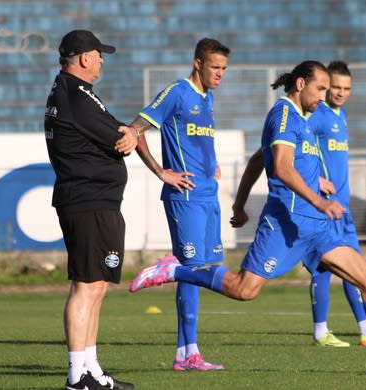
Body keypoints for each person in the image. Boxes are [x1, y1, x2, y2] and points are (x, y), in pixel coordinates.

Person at [130, 60, 366, 375]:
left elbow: (257, 159)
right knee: (243, 289)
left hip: (319, 229)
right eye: (320, 88)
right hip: (286, 225)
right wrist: (319, 201)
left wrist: (241, 204)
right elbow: (279, 167)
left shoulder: (305, 118)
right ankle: (176, 270)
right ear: (301, 85)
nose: (325, 95)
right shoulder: (282, 114)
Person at [230, 61, 366, 348]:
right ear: (303, 84)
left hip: (338, 206)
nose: (335, 94)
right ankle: (324, 329)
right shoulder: (309, 115)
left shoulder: (339, 115)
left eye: (344, 88)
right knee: (323, 271)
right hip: (314, 207)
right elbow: (278, 158)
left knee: (357, 270)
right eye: (329, 87)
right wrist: (317, 189)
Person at [128, 38, 230, 371]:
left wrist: (211, 164)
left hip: (207, 195)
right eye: (215, 67)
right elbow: (136, 128)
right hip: (184, 197)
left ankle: (185, 354)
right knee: (191, 269)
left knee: (201, 271)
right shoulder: (176, 92)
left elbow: (198, 139)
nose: (220, 74)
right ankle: (189, 351)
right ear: (198, 63)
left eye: (224, 68)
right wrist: (161, 171)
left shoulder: (208, 97)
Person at [45, 29, 137, 390]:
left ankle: (91, 369)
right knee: (86, 285)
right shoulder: (76, 96)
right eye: (100, 54)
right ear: (85, 58)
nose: (102, 60)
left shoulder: (73, 93)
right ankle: (77, 374)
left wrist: (128, 131)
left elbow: (119, 129)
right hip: (89, 201)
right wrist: (128, 133)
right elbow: (119, 136)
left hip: (92, 200)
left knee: (96, 285)